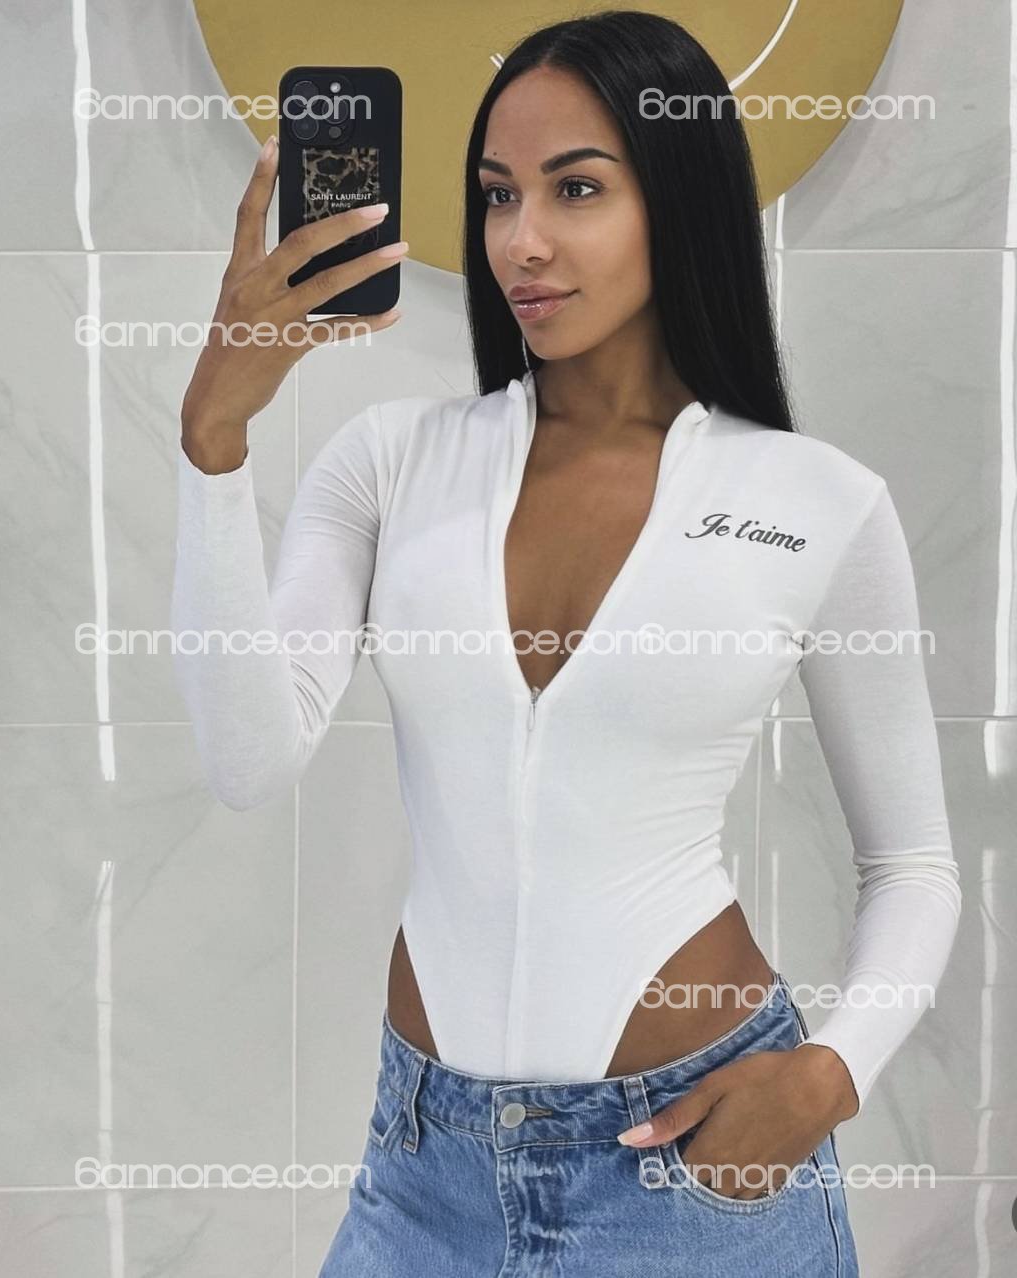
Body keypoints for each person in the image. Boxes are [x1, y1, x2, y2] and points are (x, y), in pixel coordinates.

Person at [171, 12, 961, 1276]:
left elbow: (913, 862)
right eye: (498, 195)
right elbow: (247, 761)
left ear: (678, 201)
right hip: (423, 1178)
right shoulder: (388, 463)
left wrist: (827, 1076)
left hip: (692, 1172)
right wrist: (213, 443)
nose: (520, 243)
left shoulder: (818, 501)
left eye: (575, 189)